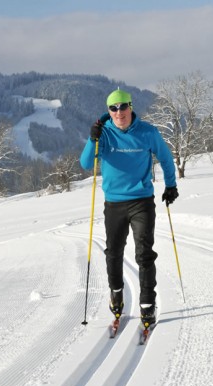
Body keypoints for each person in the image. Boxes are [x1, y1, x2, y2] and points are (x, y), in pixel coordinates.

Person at [80, 88, 178, 327]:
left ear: (131, 107)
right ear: (108, 111)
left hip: (141, 200)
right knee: (113, 253)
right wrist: (92, 138)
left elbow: (165, 157)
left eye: (123, 106)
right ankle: (116, 291)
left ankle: (147, 303)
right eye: (113, 108)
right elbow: (85, 163)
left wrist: (171, 185)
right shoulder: (104, 135)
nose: (119, 112)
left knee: (144, 253)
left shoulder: (147, 132)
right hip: (114, 203)